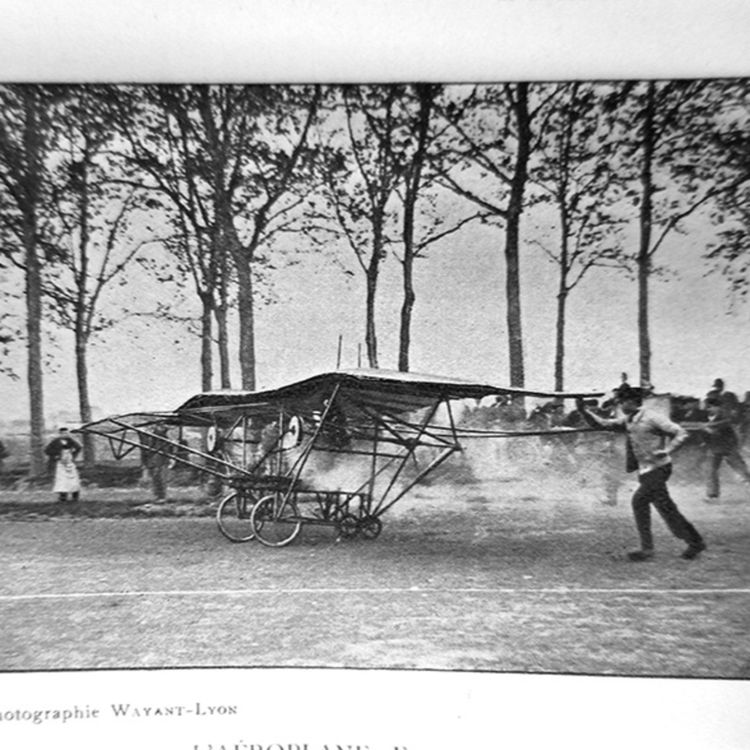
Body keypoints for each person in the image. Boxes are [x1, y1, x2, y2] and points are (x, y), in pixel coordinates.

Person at [578, 385, 705, 561]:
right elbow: (604, 424)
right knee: (666, 509)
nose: (620, 405)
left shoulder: (652, 417)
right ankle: (695, 542)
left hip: (659, 468)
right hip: (646, 471)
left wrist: (668, 449)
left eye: (622, 401)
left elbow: (681, 433)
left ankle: (648, 549)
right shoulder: (629, 419)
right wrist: (584, 412)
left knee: (639, 501)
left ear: (632, 401)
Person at [701, 394, 750, 503]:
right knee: (710, 471)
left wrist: (710, 429)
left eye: (714, 406)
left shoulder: (725, 418)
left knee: (742, 470)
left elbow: (729, 430)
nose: (711, 409)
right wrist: (705, 437)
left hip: (728, 448)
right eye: (709, 407)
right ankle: (712, 496)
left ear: (719, 407)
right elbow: (704, 433)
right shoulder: (705, 418)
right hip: (714, 448)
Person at [44, 427, 82, 502]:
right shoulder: (55, 441)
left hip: (69, 462)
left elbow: (79, 447)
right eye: (64, 433)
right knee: (62, 479)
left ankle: (75, 496)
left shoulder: (71, 441)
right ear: (60, 434)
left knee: (73, 479)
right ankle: (63, 496)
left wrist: (73, 455)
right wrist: (56, 455)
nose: (66, 435)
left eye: (67, 433)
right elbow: (47, 450)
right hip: (60, 463)